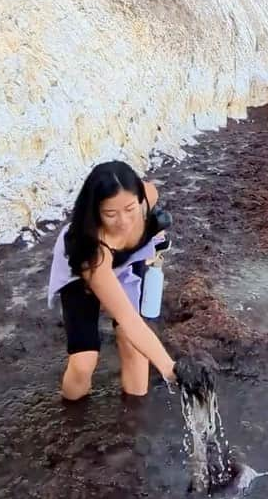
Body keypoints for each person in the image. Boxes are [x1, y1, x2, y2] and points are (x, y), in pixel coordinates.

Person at [48, 161, 177, 400]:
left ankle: (135, 419)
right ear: (95, 211)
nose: (124, 222)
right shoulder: (90, 253)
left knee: (133, 344)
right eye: (110, 214)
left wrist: (172, 371)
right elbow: (127, 318)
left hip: (127, 262)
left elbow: (151, 190)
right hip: (81, 276)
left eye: (130, 209)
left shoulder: (143, 198)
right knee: (83, 363)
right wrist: (170, 368)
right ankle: (72, 415)